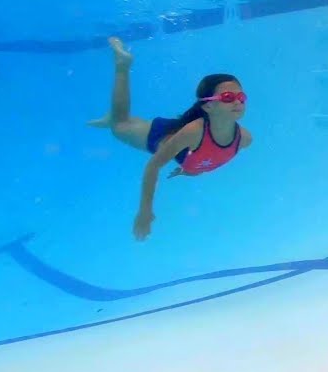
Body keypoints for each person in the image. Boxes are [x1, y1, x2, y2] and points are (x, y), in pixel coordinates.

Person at [87, 37, 252, 241]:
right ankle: (123, 65)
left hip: (182, 144)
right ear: (208, 106)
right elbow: (153, 167)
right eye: (228, 97)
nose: (238, 102)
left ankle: (116, 116)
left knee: (128, 124)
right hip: (163, 136)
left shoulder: (244, 139)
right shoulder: (194, 131)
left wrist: (189, 170)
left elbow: (216, 156)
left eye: (241, 97)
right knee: (119, 127)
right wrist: (145, 212)